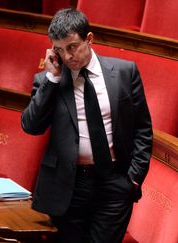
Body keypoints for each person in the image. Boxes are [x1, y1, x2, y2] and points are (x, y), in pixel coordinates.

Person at [21, 8, 153, 243]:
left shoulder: (124, 72)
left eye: (72, 47)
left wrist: (133, 179)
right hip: (68, 185)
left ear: (89, 39)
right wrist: (52, 79)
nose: (68, 56)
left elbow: (142, 129)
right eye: (59, 50)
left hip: (114, 182)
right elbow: (31, 126)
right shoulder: (48, 81)